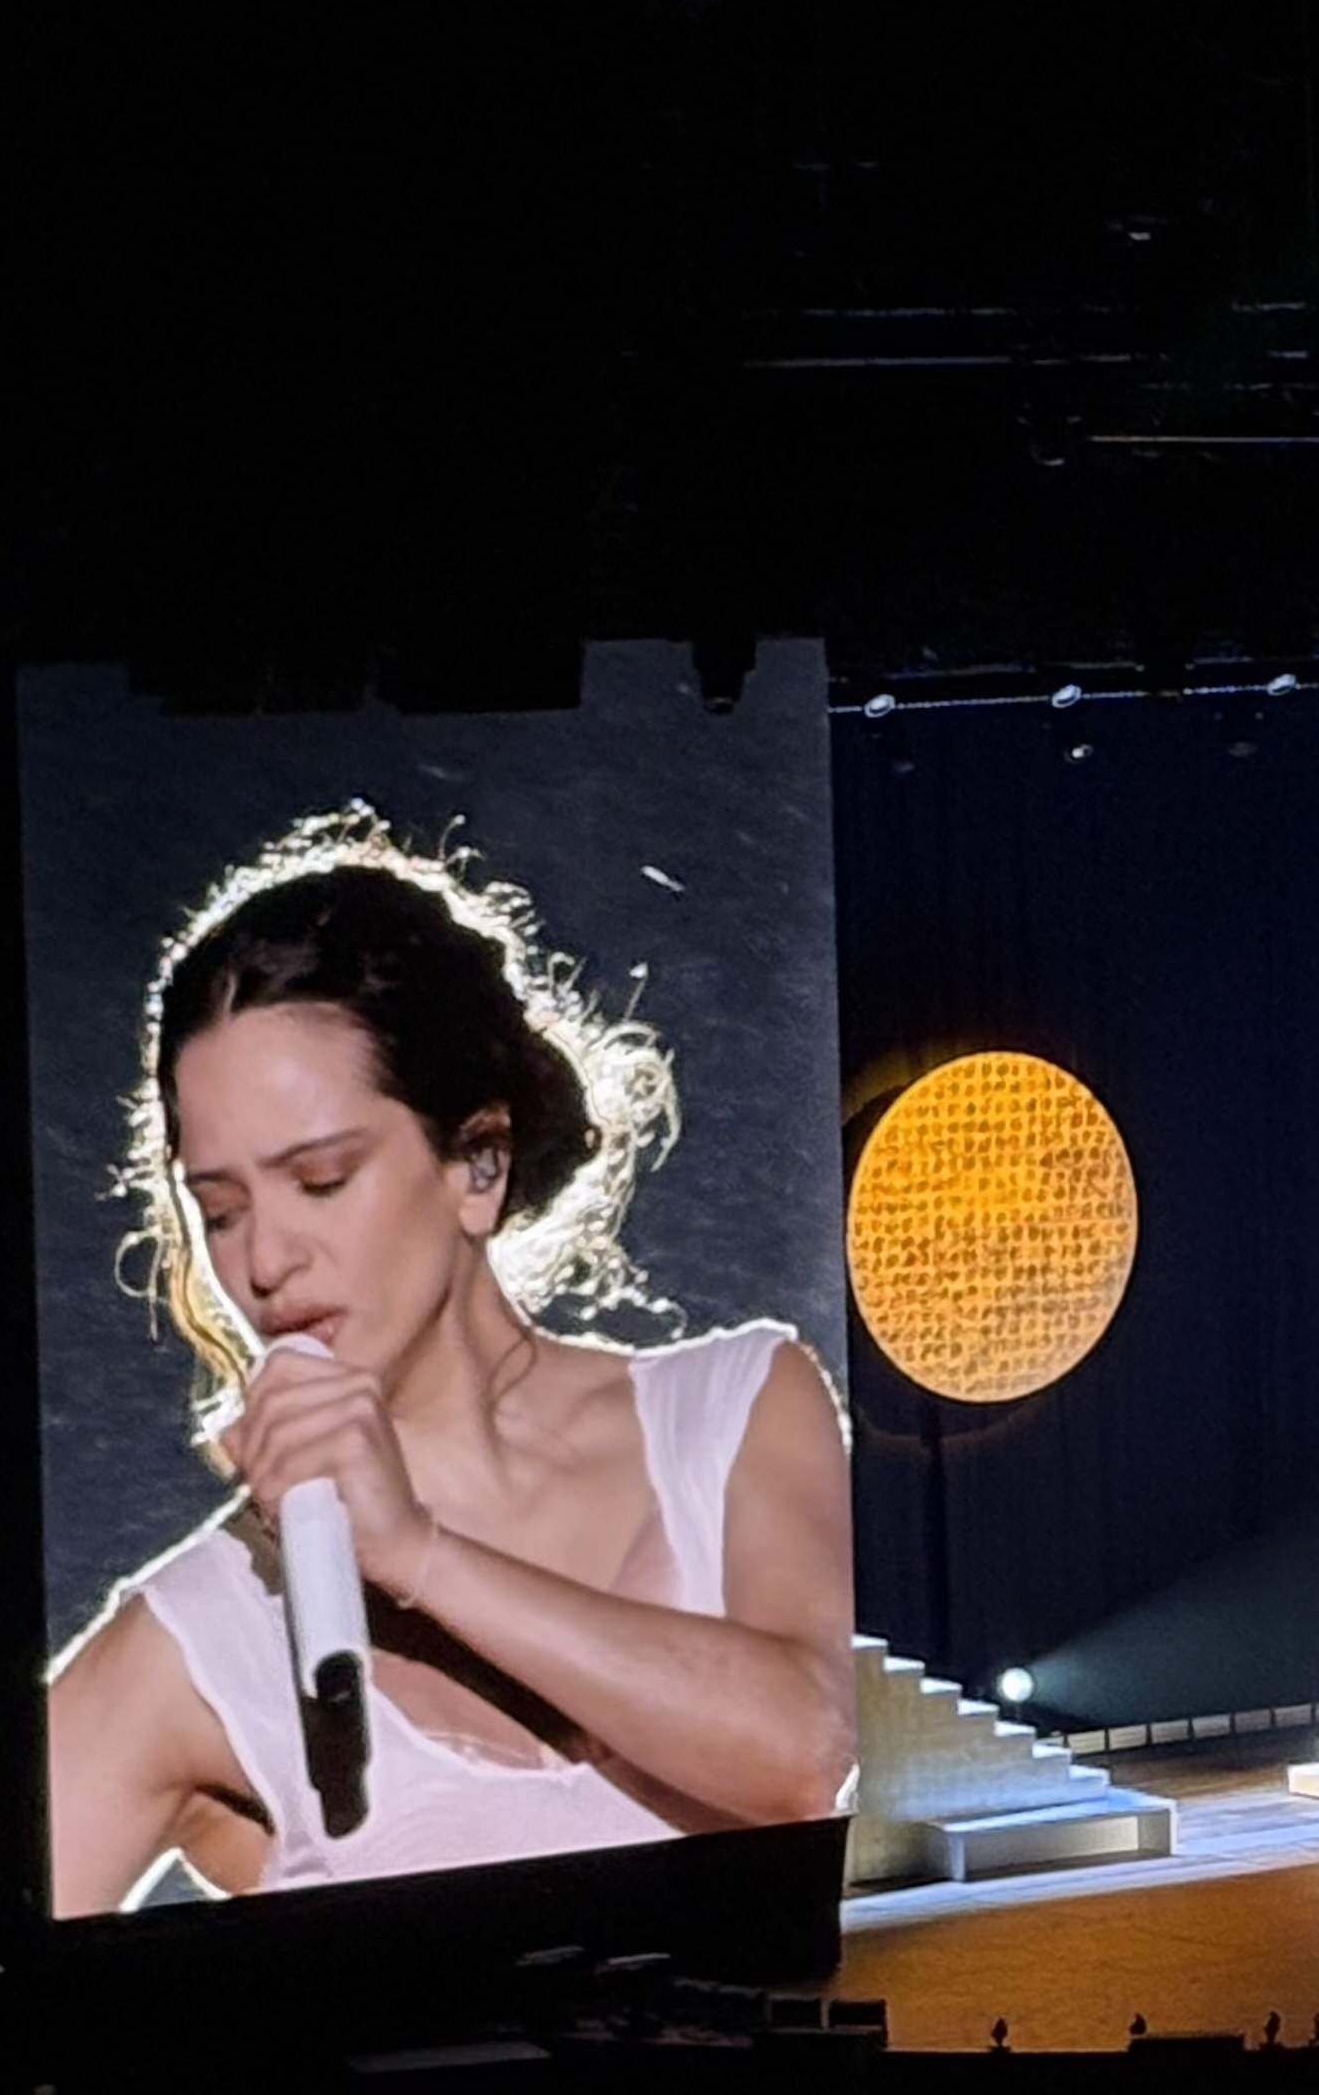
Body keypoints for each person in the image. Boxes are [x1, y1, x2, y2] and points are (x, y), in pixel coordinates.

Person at [44, 810, 856, 1912]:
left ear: (476, 1165)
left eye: (322, 1180)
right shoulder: (199, 1633)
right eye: (220, 1209)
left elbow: (801, 1758)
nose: (267, 1261)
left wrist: (415, 1552)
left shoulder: (735, 1408)